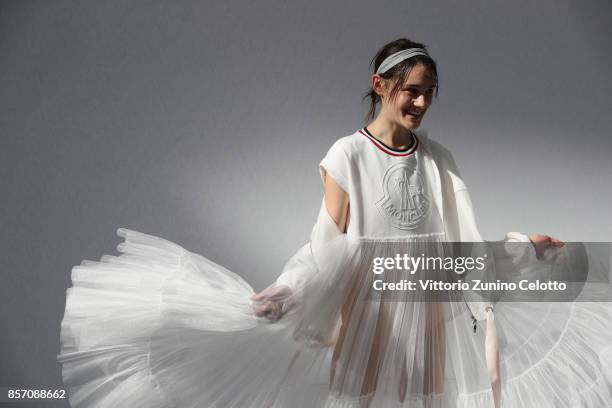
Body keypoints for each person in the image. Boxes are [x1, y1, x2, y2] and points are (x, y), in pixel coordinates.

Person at [58, 38, 612, 407]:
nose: (419, 102)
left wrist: (521, 248)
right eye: (410, 89)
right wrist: (290, 288)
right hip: (371, 308)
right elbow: (328, 241)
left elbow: (460, 244)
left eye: (428, 92)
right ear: (380, 85)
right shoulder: (348, 154)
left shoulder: (438, 158)